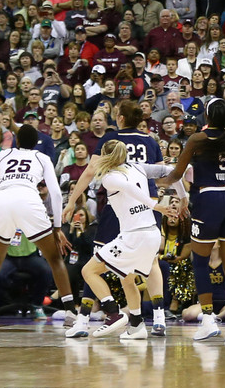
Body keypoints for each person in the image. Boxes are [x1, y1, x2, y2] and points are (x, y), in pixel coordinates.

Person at [158, 98, 225, 341]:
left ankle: (208, 320)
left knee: (201, 262)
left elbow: (176, 174)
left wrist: (155, 182)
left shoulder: (197, 139)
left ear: (209, 117)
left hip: (209, 199)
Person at [0, 124, 74, 335]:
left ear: (17, 141)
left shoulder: (5, 154)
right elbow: (56, 195)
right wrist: (57, 227)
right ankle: (69, 313)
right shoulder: (42, 158)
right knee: (55, 259)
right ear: (36, 143)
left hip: (1, 200)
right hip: (28, 201)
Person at [75, 138, 185, 340]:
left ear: (105, 156)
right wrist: (183, 195)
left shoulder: (110, 178)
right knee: (127, 278)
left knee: (88, 270)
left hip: (135, 236)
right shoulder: (138, 168)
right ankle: (136, 325)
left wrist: (156, 206)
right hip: (150, 233)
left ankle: (113, 312)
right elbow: (171, 170)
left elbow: (130, 189)